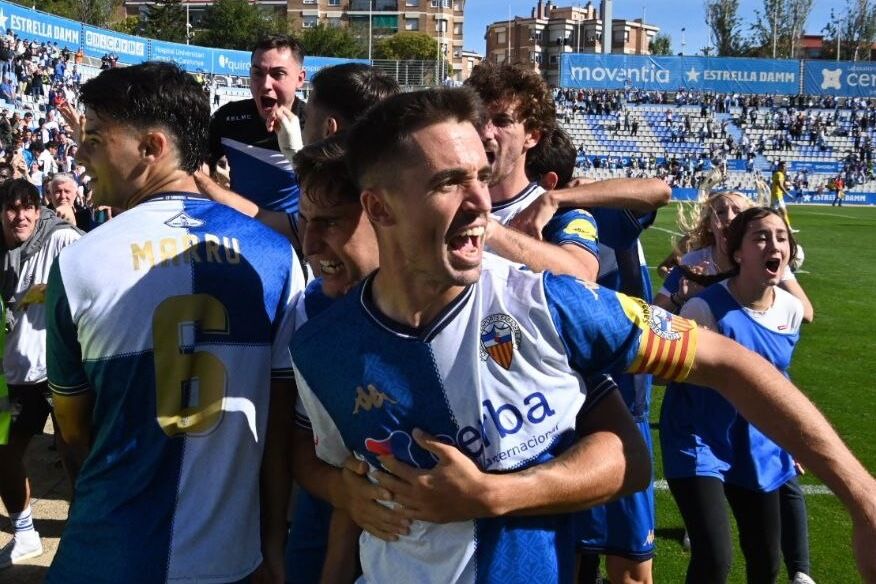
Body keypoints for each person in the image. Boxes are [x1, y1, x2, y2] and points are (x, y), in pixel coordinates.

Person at [292, 88, 876, 582]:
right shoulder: (321, 350)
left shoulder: (546, 302)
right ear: (381, 208)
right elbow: (353, 491)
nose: (478, 203)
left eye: (479, 175)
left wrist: (862, 497)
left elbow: (729, 364)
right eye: (448, 182)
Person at [43, 62, 305, 583]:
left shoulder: (79, 262)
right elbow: (279, 431)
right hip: (231, 559)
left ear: (152, 147)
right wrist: (272, 540)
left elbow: (73, 434)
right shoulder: (275, 257)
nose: (79, 153)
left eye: (95, 138)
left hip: (108, 555)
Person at [660, 207, 812, 584]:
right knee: (714, 558)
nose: (773, 244)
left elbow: (779, 380)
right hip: (698, 439)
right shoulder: (705, 308)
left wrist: (790, 438)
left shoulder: (791, 310)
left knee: (765, 561)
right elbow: (664, 376)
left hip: (757, 442)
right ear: (738, 252)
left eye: (780, 237)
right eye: (760, 237)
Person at [200, 61, 399, 246]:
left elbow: (282, 227)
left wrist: (199, 179)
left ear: (330, 129)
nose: (301, 129)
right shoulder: (395, 189)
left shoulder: (330, 199)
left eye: (308, 118)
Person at [0, 178, 82, 568]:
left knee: (76, 454)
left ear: (39, 208)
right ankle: (25, 533)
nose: (21, 216)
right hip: (11, 374)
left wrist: (59, 291)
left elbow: (96, 274)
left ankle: (86, 534)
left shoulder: (61, 237)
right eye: (12, 208)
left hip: (58, 370)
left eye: (27, 207)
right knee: (3, 454)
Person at [653, 191, 813, 324]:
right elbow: (655, 312)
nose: (729, 217)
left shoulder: (766, 261)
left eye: (737, 211)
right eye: (720, 212)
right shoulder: (693, 262)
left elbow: (806, 313)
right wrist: (680, 297)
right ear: (709, 224)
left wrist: (765, 293)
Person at [206, 35, 307, 240]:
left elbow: (329, 195)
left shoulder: (315, 123)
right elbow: (198, 167)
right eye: (257, 73)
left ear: (300, 79)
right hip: (237, 236)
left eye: (278, 74)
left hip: (295, 241)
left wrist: (298, 154)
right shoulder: (228, 118)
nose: (265, 84)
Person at [770, 161, 795, 232]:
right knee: (777, 212)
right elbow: (779, 185)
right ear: (779, 167)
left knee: (782, 212)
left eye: (785, 166)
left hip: (777, 195)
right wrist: (787, 193)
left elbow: (775, 184)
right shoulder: (779, 174)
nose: (785, 168)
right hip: (777, 196)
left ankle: (789, 228)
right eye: (783, 166)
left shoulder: (777, 174)